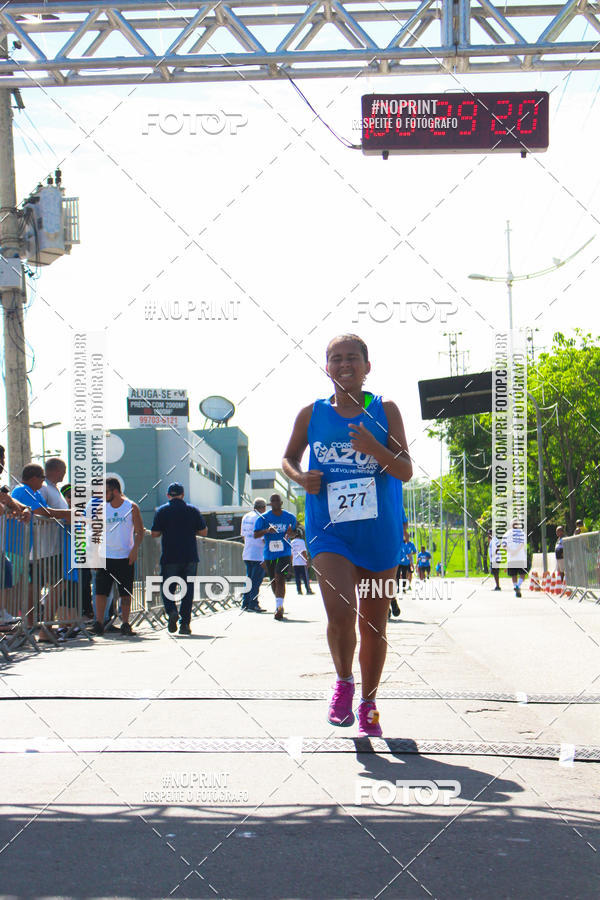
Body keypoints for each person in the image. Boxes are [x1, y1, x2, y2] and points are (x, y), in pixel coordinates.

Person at [282, 333, 412, 737]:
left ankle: (369, 703)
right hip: (329, 530)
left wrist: (375, 448)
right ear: (327, 366)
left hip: (378, 531)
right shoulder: (311, 414)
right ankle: (343, 683)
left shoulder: (386, 410)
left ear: (367, 366)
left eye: (352, 358)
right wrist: (301, 478)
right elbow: (288, 458)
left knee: (374, 626)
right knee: (340, 611)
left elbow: (405, 470)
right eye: (336, 359)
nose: (344, 365)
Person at [11, 464, 71, 640]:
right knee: (49, 585)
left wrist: (64, 515)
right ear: (34, 477)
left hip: (38, 548)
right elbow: (41, 512)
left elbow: (45, 512)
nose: (44, 481)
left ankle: (37, 626)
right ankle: (37, 626)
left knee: (36, 586)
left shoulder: (35, 492)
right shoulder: (23, 490)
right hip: (32, 548)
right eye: (42, 477)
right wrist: (67, 513)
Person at [151, 483, 207, 635]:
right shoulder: (192, 510)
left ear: (169, 495)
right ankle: (185, 624)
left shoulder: (162, 511)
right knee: (187, 591)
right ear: (183, 495)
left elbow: (154, 533)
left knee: (167, 588)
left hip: (170, 556)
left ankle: (171, 611)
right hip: (190, 556)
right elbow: (203, 531)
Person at [91, 478, 144, 637]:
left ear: (114, 491)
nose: (103, 495)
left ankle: (125, 623)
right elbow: (96, 533)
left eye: (105, 492)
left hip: (124, 556)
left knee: (125, 592)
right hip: (105, 556)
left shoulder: (131, 507)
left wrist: (135, 549)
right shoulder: (101, 508)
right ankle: (99, 623)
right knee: (101, 592)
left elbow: (140, 531)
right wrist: (94, 554)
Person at [254, 493, 296, 620]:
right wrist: (267, 531)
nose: (276, 503)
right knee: (273, 580)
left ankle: (279, 607)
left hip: (284, 553)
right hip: (269, 554)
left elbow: (295, 533)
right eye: (273, 501)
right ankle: (279, 603)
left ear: (281, 503)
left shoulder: (290, 517)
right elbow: (255, 535)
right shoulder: (263, 518)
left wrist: (291, 533)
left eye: (278, 501)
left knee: (280, 576)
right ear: (270, 504)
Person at [240, 498, 267, 612]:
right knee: (256, 581)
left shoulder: (246, 517)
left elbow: (243, 535)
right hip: (258, 553)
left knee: (249, 579)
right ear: (263, 507)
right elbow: (263, 538)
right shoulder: (261, 518)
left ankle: (245, 603)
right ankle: (253, 603)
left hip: (247, 552)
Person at [505, 519, 527, 598]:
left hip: (511, 558)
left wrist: (511, 551)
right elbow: (522, 544)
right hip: (520, 557)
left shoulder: (507, 534)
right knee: (522, 574)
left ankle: (516, 586)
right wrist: (516, 551)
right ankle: (518, 585)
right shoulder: (521, 533)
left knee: (513, 574)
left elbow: (504, 545)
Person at [291, 528, 314, 595]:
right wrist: (306, 561)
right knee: (305, 577)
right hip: (301, 562)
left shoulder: (292, 542)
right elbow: (303, 552)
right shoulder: (301, 541)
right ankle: (308, 590)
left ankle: (299, 591)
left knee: (297, 578)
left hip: (295, 562)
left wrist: (292, 561)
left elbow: (291, 554)